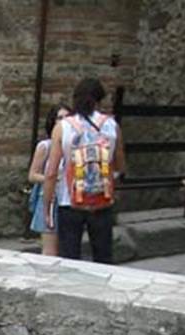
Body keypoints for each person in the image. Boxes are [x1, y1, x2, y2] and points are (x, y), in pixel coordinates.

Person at [43, 78, 126, 262]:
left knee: (69, 258)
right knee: (103, 257)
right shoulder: (112, 126)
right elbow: (120, 165)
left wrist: (47, 206)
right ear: (100, 100)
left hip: (69, 202)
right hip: (102, 201)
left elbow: (51, 173)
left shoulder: (63, 127)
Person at [27, 104, 69, 256]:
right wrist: (50, 178)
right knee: (50, 249)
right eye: (60, 118)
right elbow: (32, 175)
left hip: (67, 199)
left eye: (67, 117)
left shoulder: (72, 145)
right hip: (50, 198)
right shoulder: (45, 146)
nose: (64, 121)